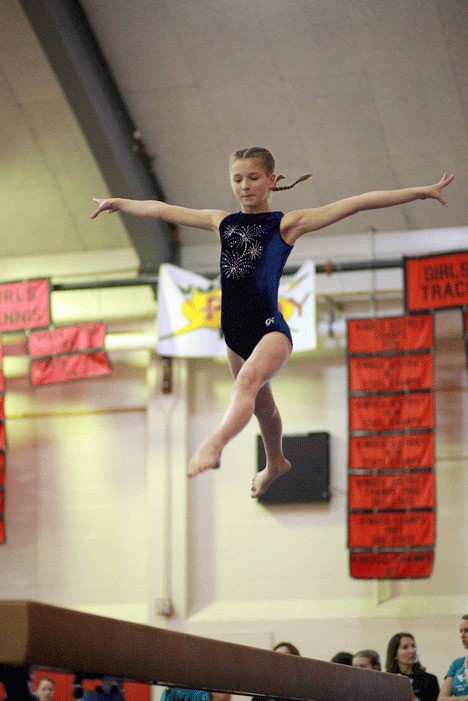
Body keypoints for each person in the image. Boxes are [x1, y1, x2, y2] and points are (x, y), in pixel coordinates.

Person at [91, 147, 453, 497]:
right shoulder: (222, 221)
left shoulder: (286, 225)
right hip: (233, 333)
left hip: (270, 330)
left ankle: (213, 444)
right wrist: (119, 203)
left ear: (271, 180)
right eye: (237, 179)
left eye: (252, 178)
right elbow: (163, 210)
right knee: (263, 406)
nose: (244, 186)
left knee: (246, 384)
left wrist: (421, 192)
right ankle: (276, 462)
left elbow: (357, 202)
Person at [386, 632, 440, 701]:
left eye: (413, 646)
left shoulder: (430, 680)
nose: (412, 650)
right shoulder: (388, 681)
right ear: (395, 654)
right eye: (405, 647)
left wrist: (413, 698)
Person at [438, 614, 468, 700]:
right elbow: (441, 699)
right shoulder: (457, 664)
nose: (462, 635)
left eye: (467, 630)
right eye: (461, 631)